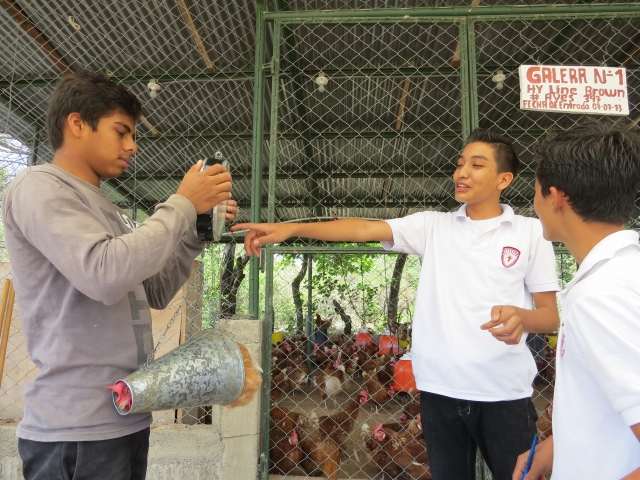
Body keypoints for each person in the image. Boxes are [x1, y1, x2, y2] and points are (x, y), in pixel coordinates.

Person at [233, 129, 560, 480]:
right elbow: (362, 229)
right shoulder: (434, 226)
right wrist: (291, 229)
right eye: (459, 163)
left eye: (476, 165)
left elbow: (549, 316)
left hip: (505, 393)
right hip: (439, 392)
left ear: (503, 179)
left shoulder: (530, 233)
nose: (461, 172)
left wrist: (521, 318)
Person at [2, 71, 235, 480]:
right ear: (77, 124)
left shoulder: (111, 211)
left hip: (126, 414)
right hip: (75, 430)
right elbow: (104, 275)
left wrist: (195, 231)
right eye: (121, 131)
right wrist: (182, 203)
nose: (132, 145)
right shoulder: (39, 187)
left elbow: (155, 291)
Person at [513, 121, 640, 480]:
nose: (534, 203)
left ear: (555, 198)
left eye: (536, 192)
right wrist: (558, 446)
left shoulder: (601, 296)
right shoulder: (625, 271)